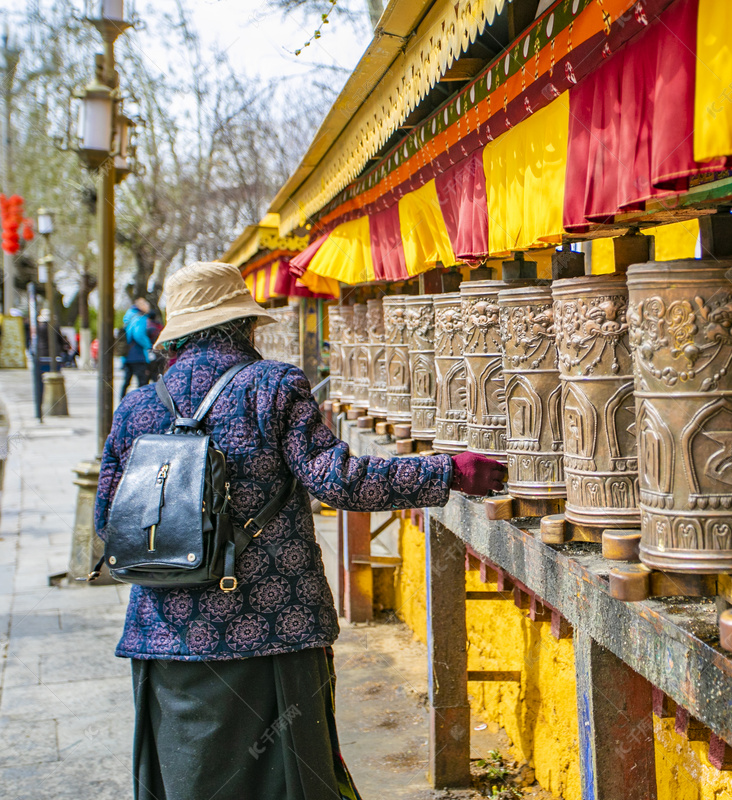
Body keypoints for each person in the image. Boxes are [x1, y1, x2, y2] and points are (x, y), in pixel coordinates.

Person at [94, 261, 505, 800]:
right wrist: (449, 470)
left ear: (178, 334)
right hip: (273, 630)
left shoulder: (136, 408)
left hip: (166, 640)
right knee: (289, 782)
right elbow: (339, 481)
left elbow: (109, 519)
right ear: (245, 325)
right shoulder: (272, 385)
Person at [121, 298, 155, 397]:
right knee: (143, 382)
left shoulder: (129, 316)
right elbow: (139, 335)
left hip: (127, 354)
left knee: (127, 381)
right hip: (138, 355)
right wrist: (148, 345)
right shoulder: (141, 317)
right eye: (146, 305)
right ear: (141, 306)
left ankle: (122, 401)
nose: (148, 307)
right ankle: (142, 405)